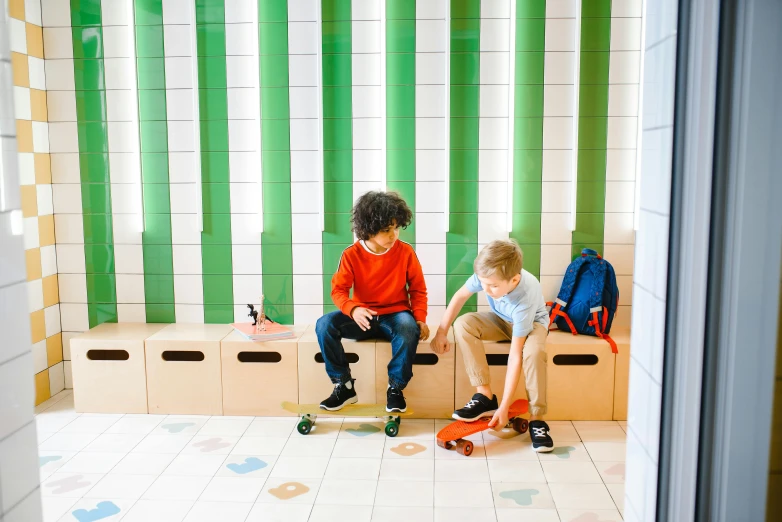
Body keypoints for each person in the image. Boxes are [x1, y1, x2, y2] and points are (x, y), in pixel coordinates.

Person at [430, 239, 554, 452]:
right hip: (502, 320)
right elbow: (460, 296)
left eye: (493, 286)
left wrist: (505, 408)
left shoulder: (524, 297)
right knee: (464, 324)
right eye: (483, 282)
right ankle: (485, 396)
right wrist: (441, 332)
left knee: (533, 354)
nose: (486, 289)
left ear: (514, 279)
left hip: (531, 324)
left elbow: (515, 356)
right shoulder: (488, 274)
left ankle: (537, 418)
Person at [315, 191, 429, 413]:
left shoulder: (405, 252)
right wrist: (353, 309)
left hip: (395, 316)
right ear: (369, 229)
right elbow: (338, 291)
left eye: (396, 228)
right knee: (324, 325)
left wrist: (421, 319)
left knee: (408, 327)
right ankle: (344, 385)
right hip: (362, 317)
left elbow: (418, 289)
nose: (393, 235)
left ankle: (395, 389)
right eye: (386, 230)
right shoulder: (351, 255)